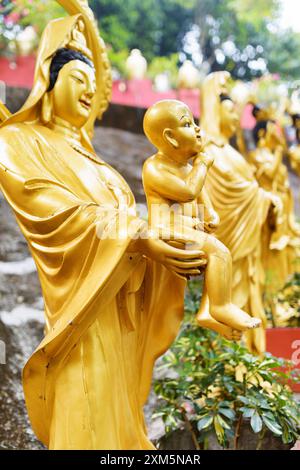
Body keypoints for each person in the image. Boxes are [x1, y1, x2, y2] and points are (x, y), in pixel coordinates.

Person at [0, 12, 205, 450]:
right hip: (81, 319)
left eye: (93, 80)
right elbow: (53, 213)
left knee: (120, 424)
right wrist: (138, 237)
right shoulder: (19, 143)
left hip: (121, 312)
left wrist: (166, 237)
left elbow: (131, 219)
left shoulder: (89, 154)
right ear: (48, 83)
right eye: (78, 76)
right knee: (86, 418)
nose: (90, 88)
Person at [143, 99, 259, 339]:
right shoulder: (154, 167)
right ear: (171, 138)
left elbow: (201, 195)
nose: (197, 128)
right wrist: (203, 163)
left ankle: (208, 309)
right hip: (165, 229)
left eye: (195, 122)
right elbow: (188, 191)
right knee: (219, 252)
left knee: (215, 258)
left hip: (186, 226)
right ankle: (221, 306)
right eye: (188, 124)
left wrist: (210, 214)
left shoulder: (187, 167)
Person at [200, 71, 284, 355]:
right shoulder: (211, 152)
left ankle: (248, 367)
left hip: (247, 250)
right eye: (229, 112)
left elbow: (249, 191)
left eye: (237, 113)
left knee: (249, 307)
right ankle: (227, 373)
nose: (236, 119)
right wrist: (262, 198)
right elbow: (229, 196)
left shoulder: (231, 152)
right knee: (227, 306)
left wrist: (267, 201)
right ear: (215, 112)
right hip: (228, 244)